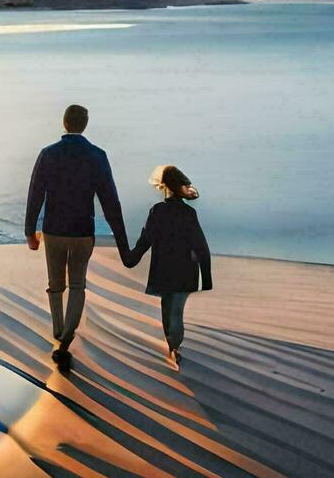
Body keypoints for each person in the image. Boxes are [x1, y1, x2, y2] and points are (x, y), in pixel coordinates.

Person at [24, 104, 128, 369]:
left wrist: (29, 231)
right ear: (85, 124)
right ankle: (66, 337)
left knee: (55, 284)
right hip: (83, 230)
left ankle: (58, 330)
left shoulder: (48, 154)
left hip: (54, 230)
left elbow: (35, 194)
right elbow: (110, 201)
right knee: (78, 284)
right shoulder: (97, 156)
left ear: (64, 122)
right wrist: (121, 238)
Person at [119, 165, 213, 368]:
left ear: (164, 187)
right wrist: (206, 278)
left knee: (167, 307)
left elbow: (146, 240)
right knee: (176, 311)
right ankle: (174, 347)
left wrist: (131, 258)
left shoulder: (157, 211)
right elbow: (201, 246)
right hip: (186, 270)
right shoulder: (189, 213)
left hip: (163, 268)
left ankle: (171, 344)